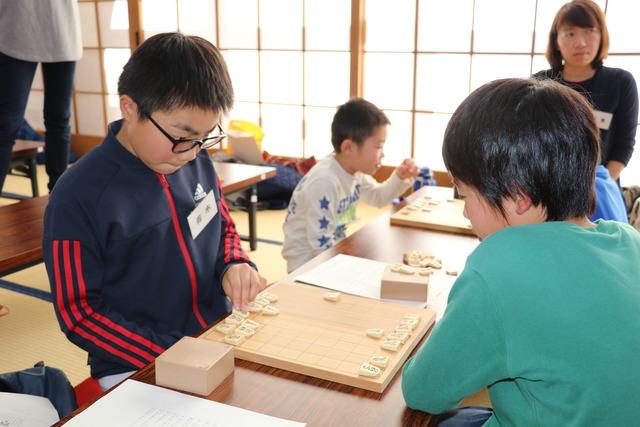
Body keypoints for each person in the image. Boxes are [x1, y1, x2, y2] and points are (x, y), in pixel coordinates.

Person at [401, 78, 640, 426]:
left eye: (465, 196)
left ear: (518, 198)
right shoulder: (628, 240)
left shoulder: (499, 266)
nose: (466, 213)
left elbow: (425, 390)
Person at [43, 33, 267, 391]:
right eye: (183, 134)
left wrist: (234, 263)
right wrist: (168, 352)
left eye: (205, 136)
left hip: (216, 336)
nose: (192, 151)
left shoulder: (195, 159)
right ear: (130, 108)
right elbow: (80, 314)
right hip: (135, 363)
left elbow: (221, 225)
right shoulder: (79, 195)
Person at [281, 98, 419, 273]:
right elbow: (319, 242)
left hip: (331, 251)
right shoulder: (325, 182)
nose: (383, 154)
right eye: (378, 146)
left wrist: (399, 177)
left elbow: (378, 197)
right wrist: (351, 266)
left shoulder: (355, 171)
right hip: (307, 264)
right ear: (348, 148)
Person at [534, 0, 638, 182]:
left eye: (589, 31)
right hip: (549, 189)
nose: (580, 43)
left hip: (601, 189)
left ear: (601, 36)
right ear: (556, 41)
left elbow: (624, 147)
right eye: (570, 33)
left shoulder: (621, 82)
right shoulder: (540, 83)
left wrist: (595, 189)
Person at [0, 1, 82, 192]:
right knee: (6, 125)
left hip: (62, 25)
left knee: (59, 120)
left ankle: (60, 197)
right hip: (15, 24)